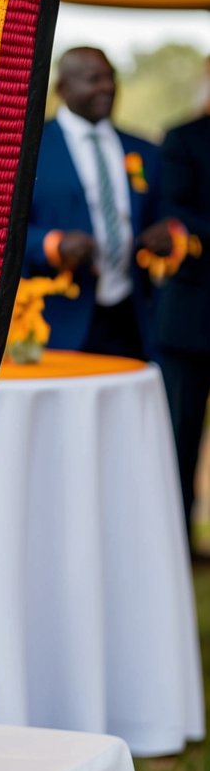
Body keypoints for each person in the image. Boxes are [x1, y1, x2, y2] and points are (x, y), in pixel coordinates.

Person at [22, 45, 172, 359]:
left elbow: (164, 214)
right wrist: (53, 244)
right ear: (63, 88)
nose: (107, 86)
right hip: (57, 319)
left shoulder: (142, 150)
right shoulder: (31, 148)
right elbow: (1, 228)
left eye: (110, 77)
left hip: (130, 315)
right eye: (94, 79)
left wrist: (167, 235)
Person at [155, 98, 210, 558]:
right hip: (192, 318)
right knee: (179, 438)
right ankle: (175, 549)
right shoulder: (183, 138)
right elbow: (174, 210)